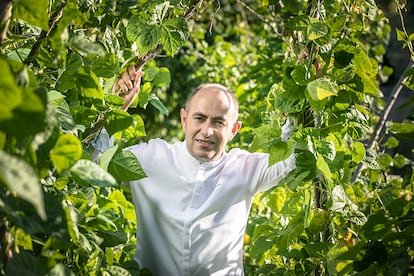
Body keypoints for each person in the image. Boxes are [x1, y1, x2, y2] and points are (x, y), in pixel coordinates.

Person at [95, 65, 296, 276]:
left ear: (234, 130)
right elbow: (95, 163)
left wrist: (301, 88)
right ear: (184, 120)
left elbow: (294, 158)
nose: (207, 131)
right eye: (199, 118)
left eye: (219, 122)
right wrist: (117, 106)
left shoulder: (245, 169)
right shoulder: (151, 159)